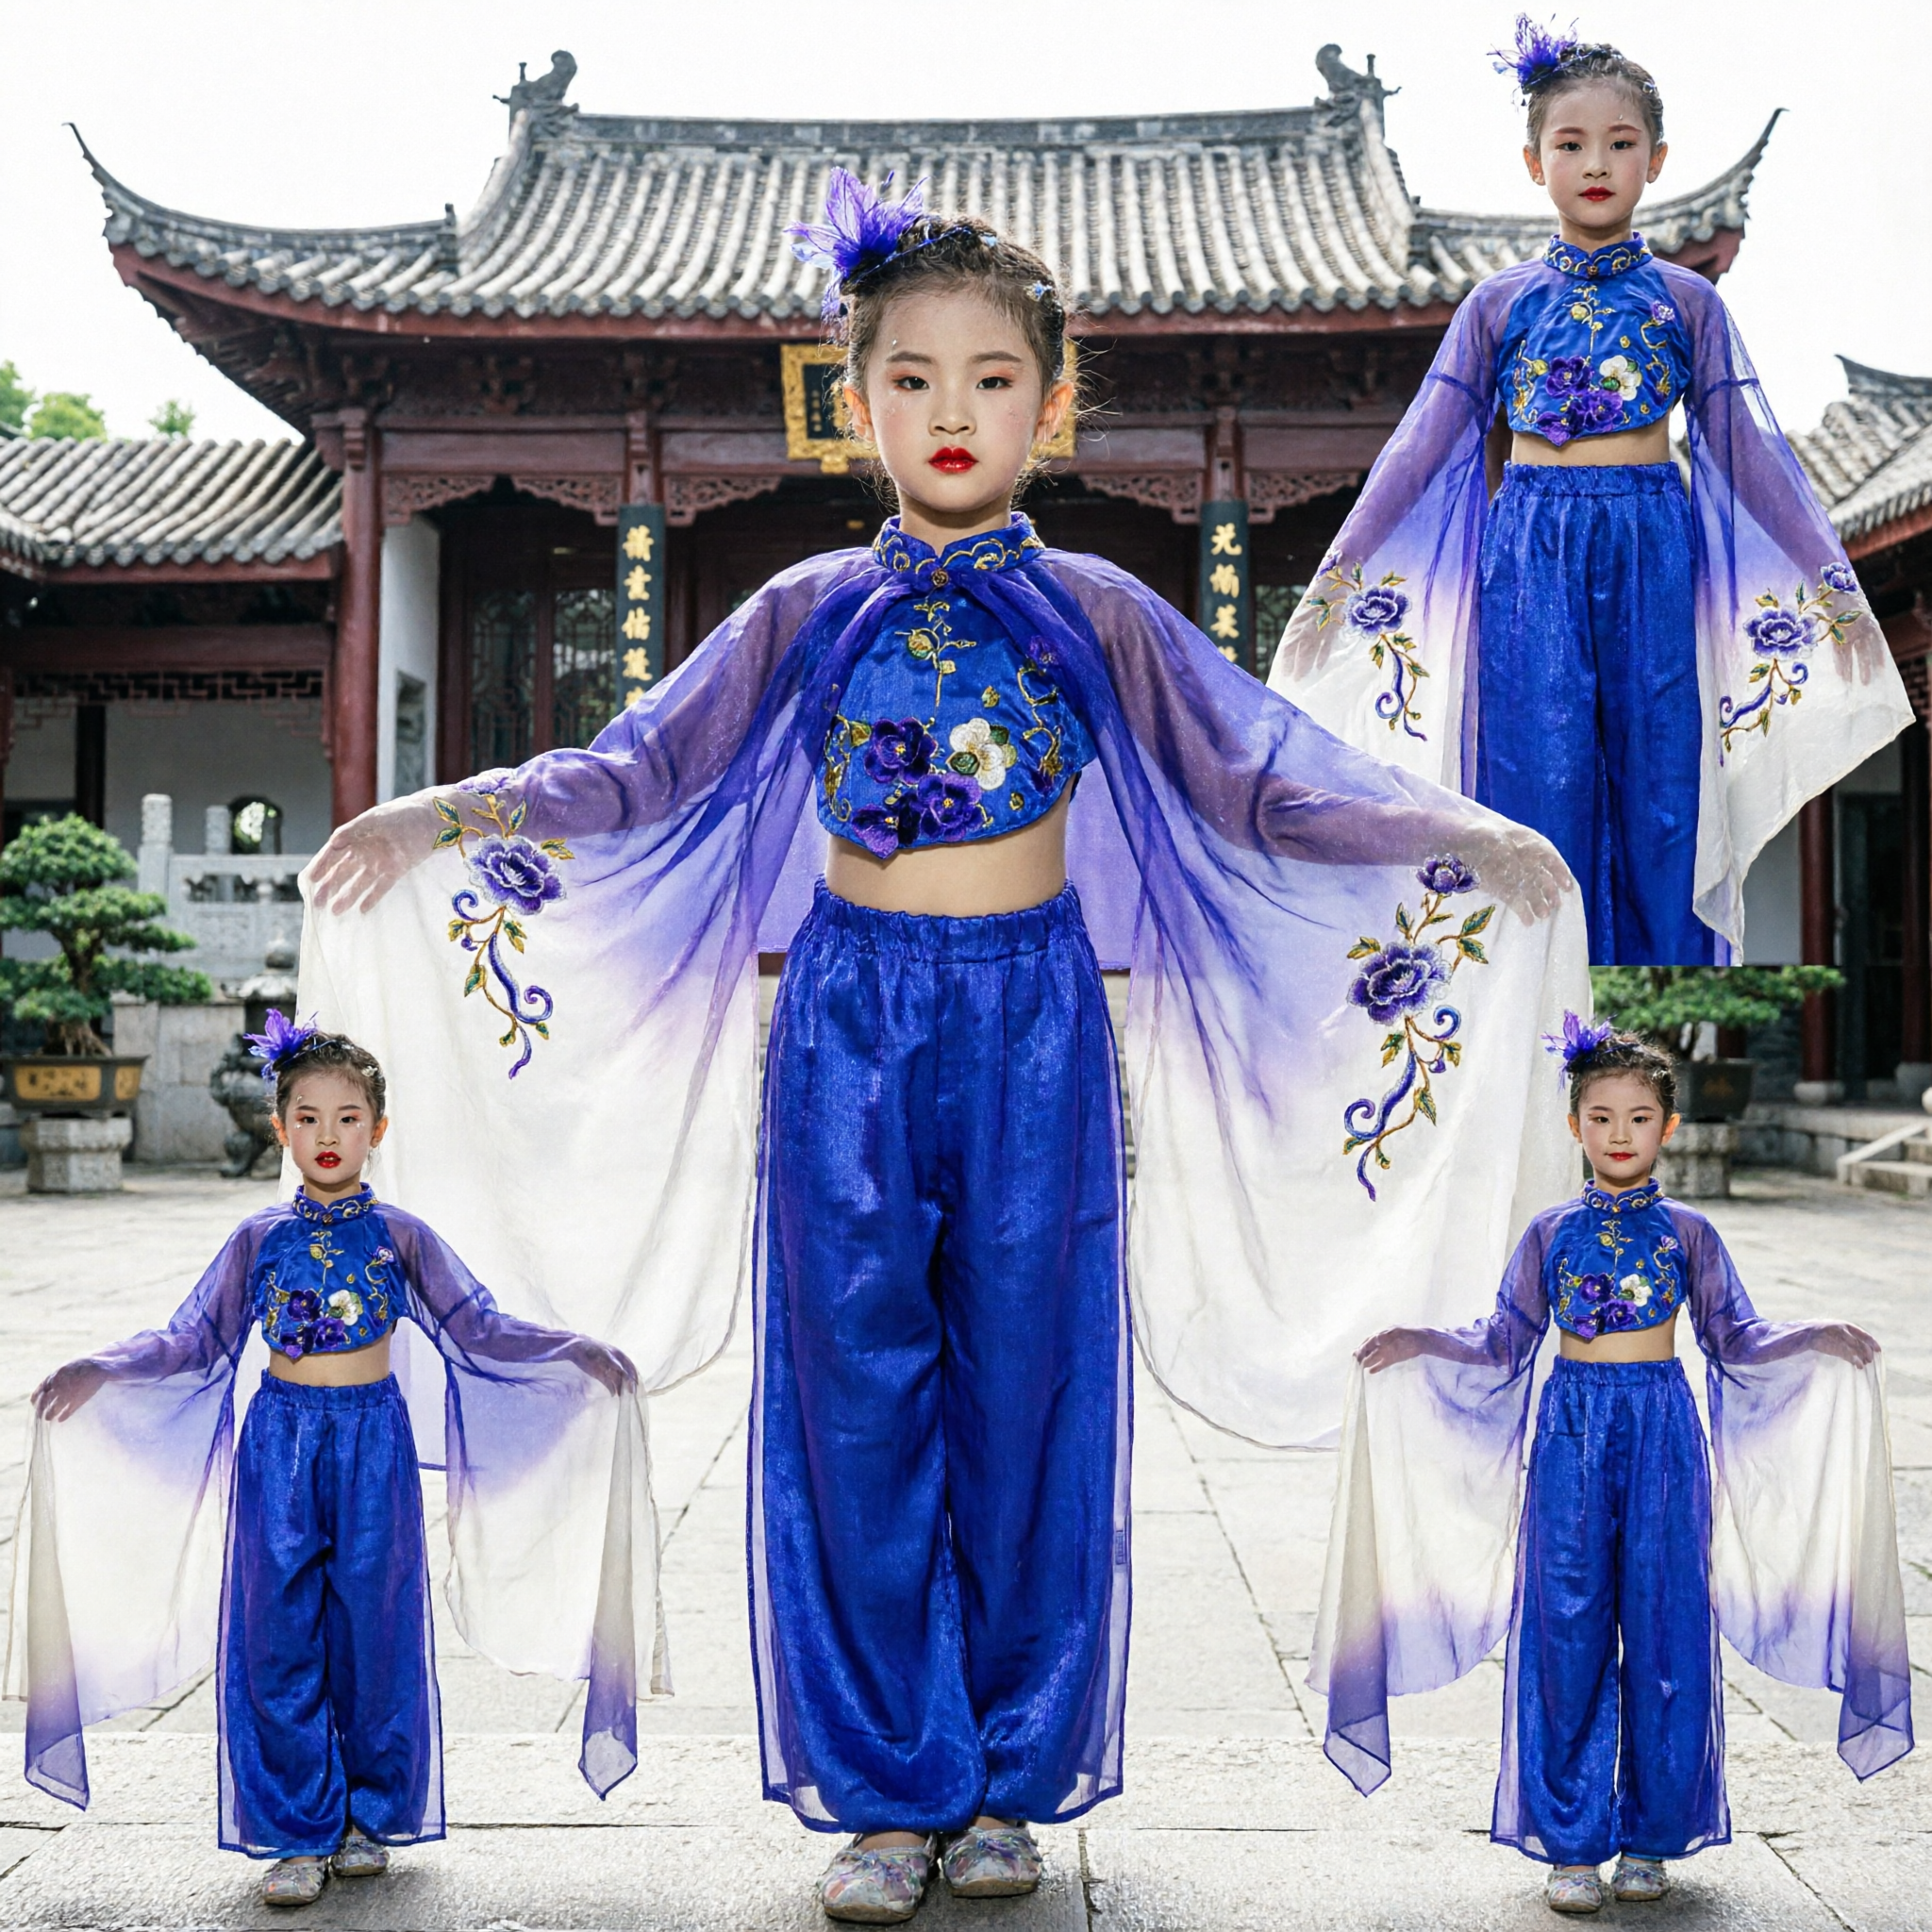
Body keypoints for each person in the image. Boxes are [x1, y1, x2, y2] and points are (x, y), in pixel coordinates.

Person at [299, 170, 1586, 1923]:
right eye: (910, 377)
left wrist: (1460, 830)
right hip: (846, 1022)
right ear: (855, 403)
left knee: (1028, 1390)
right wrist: (441, 810)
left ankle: (1008, 1777)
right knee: (855, 1398)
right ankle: (889, 1787)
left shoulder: (1104, 611)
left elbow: (1261, 781)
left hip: (1035, 1017)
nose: (952, 410)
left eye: (992, 376)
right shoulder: (807, 607)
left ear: (1052, 403)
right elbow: (639, 769)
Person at [1269, 19, 1911, 966]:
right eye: (1570, 144)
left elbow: (1748, 457)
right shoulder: (1496, 306)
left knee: (1664, 778)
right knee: (1538, 771)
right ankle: (1534, 985)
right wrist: (1336, 581)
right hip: (1529, 547)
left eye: (1619, 143)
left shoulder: (1688, 303)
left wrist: (1833, 590)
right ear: (1534, 163)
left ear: (1656, 160)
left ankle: (1658, 981)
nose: (1596, 163)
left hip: (1653, 539)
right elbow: (1418, 453)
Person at [8, 1017, 653, 1909]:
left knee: (375, 1631)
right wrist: (102, 1368)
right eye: (307, 1118)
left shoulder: (400, 1236)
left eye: (348, 1118)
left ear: (377, 1130)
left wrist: (575, 1351)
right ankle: (297, 1831)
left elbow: (480, 1330)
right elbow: (193, 1339)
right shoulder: (258, 1239)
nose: (327, 1135)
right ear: (280, 1128)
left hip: (372, 1445)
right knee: (277, 1635)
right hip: (278, 1444)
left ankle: (368, 1816)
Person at [1325, 1018, 1912, 1916]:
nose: (1619, 1133)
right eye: (1600, 1117)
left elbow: (1734, 1337)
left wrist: (1815, 1336)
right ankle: (1570, 1843)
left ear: (1667, 1127)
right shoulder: (1550, 1233)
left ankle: (1651, 1838)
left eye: (1639, 1117)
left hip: (1663, 1434)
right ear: (1575, 1126)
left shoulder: (1689, 1233)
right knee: (1567, 1630)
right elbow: (1503, 1340)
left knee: (1666, 1626)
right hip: (1570, 1434)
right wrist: (1419, 1340)